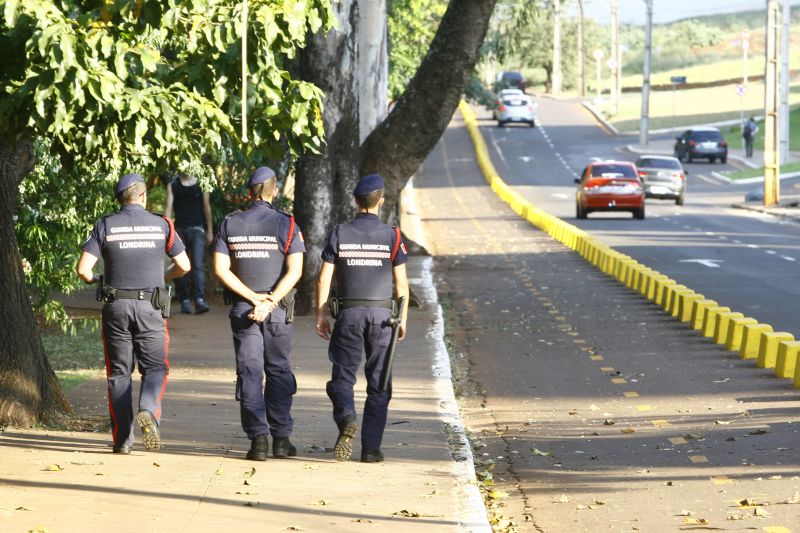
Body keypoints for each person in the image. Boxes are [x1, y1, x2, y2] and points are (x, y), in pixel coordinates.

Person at [76, 173, 191, 454]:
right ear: (143, 197)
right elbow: (184, 265)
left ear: (121, 199)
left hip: (116, 307)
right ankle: (149, 410)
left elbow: (83, 270)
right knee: (155, 368)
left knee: (118, 374)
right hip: (150, 307)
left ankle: (122, 440)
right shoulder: (162, 224)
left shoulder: (106, 225)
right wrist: (163, 277)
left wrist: (96, 281)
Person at [315, 174, 410, 463]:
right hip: (383, 318)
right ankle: (370, 449)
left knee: (342, 378)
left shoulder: (340, 232)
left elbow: (324, 279)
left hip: (349, 314)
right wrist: (402, 318)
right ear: (381, 201)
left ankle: (346, 418)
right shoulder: (392, 236)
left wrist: (321, 313)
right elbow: (401, 285)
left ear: (355, 201)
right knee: (379, 383)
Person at [213, 166, 305, 461]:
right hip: (276, 311)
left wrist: (253, 298)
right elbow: (296, 270)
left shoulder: (231, 223)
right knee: (278, 370)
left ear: (248, 193)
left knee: (250, 372)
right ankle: (281, 438)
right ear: (274, 192)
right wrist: (270, 301)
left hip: (244, 310)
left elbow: (220, 269)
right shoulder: (287, 225)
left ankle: (258, 441)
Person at [164, 172, 213, 314]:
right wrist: (167, 231)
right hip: (179, 230)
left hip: (197, 229)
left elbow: (207, 208)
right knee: (180, 264)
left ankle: (199, 300)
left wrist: (209, 230)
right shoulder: (173, 185)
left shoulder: (202, 182)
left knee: (197, 265)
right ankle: (184, 300)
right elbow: (168, 208)